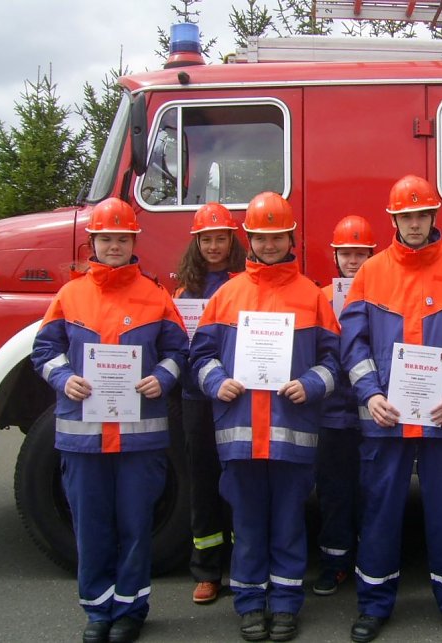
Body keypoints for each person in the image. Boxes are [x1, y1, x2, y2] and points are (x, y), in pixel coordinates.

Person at [340, 174, 442, 642]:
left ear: (433, 217)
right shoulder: (370, 272)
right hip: (386, 419)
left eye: (421, 214)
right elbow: (353, 341)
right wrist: (371, 393)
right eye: (406, 216)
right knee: (380, 511)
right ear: (394, 219)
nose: (414, 223)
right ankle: (373, 605)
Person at [31, 197, 189, 643]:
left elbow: (180, 351)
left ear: (133, 241)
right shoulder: (70, 295)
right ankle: (98, 611)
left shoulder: (155, 295)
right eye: (107, 239)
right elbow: (42, 352)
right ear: (92, 243)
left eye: (122, 238)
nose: (114, 246)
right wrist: (64, 378)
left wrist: (162, 377)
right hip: (84, 440)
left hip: (140, 441)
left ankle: (132, 610)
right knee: (92, 526)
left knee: (136, 525)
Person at [189, 192, 340, 642]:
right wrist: (217, 382)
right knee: (248, 524)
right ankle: (251, 603)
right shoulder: (226, 295)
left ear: (290, 237)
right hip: (239, 434)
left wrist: (309, 384)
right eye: (261, 237)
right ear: (249, 239)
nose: (270, 245)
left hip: (292, 433)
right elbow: (200, 357)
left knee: (289, 522)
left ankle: (287, 603)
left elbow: (334, 363)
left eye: (277, 237)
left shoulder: (312, 297)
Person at [174, 202, 246, 604]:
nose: (214, 246)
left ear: (232, 241)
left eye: (220, 238)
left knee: (236, 479)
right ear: (196, 244)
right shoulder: (185, 290)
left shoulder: (243, 281)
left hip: (235, 394)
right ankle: (207, 569)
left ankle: (241, 564)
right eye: (206, 240)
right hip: (196, 397)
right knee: (202, 480)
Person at [313, 215, 376, 597]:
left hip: (373, 412)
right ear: (335, 256)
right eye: (347, 254)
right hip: (334, 414)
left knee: (372, 491)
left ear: (372, 255)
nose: (353, 262)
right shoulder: (320, 296)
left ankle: (372, 562)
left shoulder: (382, 294)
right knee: (334, 492)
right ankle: (335, 562)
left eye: (360, 254)